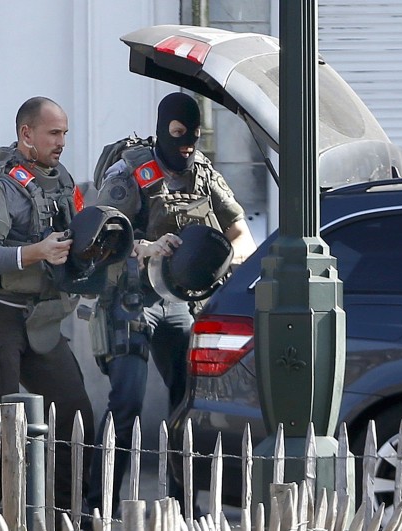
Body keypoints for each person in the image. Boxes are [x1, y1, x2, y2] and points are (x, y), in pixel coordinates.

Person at [87, 91, 256, 515]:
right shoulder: (131, 173)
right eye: (178, 134)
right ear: (163, 129)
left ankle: (183, 506)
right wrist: (147, 246)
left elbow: (241, 232)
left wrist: (220, 261)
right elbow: (96, 234)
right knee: (126, 403)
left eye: (194, 136)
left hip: (179, 301)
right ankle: (98, 508)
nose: (186, 145)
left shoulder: (202, 171)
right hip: (130, 299)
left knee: (187, 403)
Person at [0, 96, 95, 525]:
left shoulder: (61, 180)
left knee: (76, 415)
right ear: (26, 134)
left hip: (41, 318)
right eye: (54, 133)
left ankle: (64, 514)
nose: (61, 142)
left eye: (65, 133)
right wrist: (36, 252)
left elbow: (81, 234)